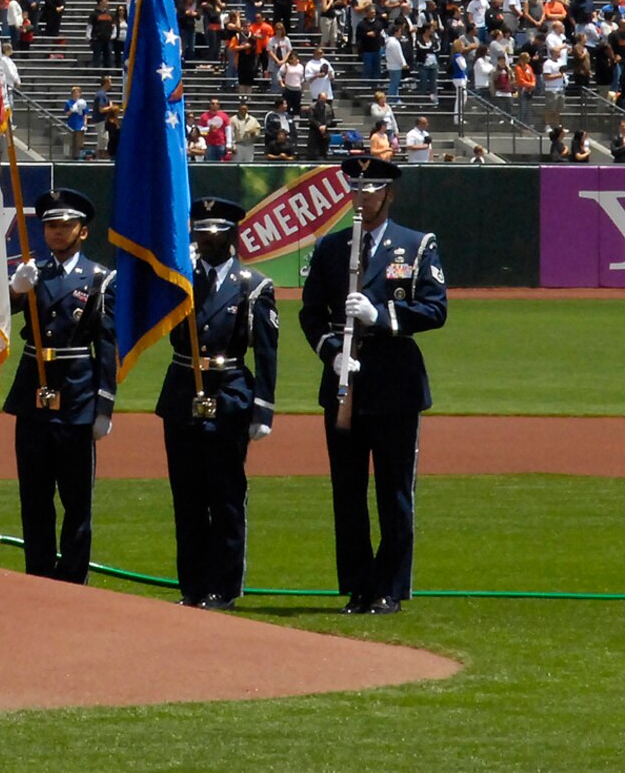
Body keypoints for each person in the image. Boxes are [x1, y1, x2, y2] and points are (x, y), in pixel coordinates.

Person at [298, 154, 448, 615]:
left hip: (394, 383)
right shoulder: (330, 248)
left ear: (389, 194)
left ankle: (391, 587)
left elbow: (435, 308)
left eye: (371, 190)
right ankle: (358, 586)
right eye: (355, 189)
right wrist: (333, 352)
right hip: (344, 386)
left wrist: (380, 317)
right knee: (347, 491)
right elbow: (311, 314)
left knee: (394, 491)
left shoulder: (416, 245)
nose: (361, 198)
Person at [158, 198, 279, 609]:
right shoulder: (180, 281)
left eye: (215, 230)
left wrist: (263, 409)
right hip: (181, 390)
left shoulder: (252, 285)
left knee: (225, 494)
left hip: (228, 391)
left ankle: (224, 586)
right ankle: (192, 584)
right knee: (187, 495)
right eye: (201, 229)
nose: (205, 237)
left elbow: (266, 352)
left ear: (232, 234)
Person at [4, 188, 116, 583]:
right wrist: (15, 289)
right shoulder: (31, 273)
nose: (56, 232)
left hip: (76, 392)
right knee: (34, 496)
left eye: (65, 225)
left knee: (75, 498)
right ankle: (37, 574)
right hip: (32, 389)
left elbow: (107, 346)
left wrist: (104, 406)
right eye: (50, 225)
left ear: (82, 232)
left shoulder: (100, 278)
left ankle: (72, 579)